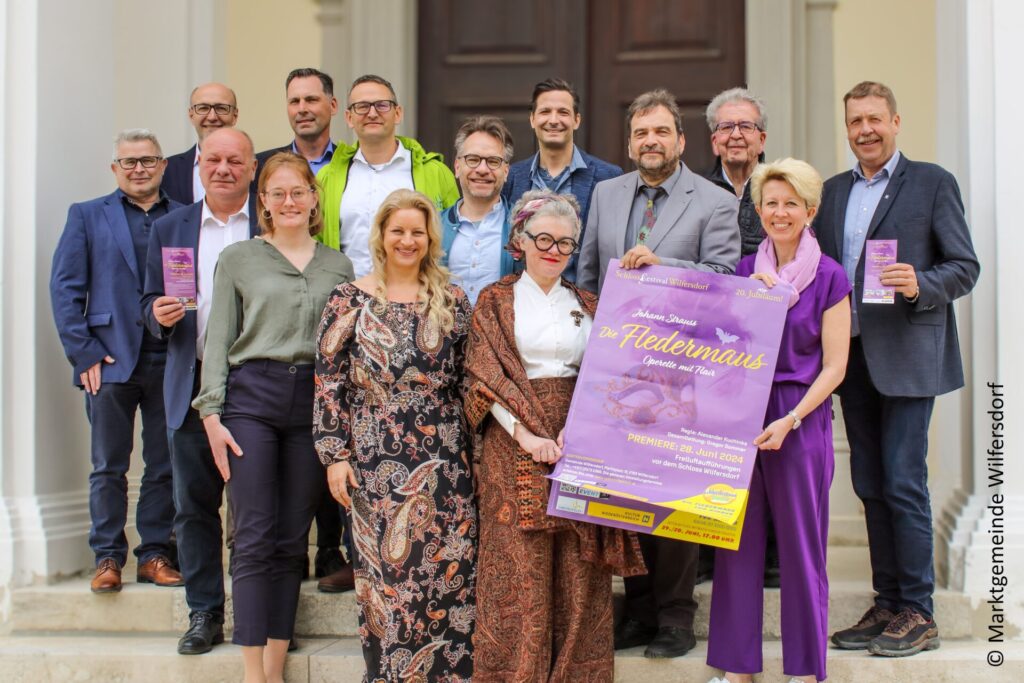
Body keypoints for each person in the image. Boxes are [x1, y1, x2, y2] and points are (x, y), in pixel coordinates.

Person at [577, 88, 739, 659]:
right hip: (618, 370)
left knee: (675, 497)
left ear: (681, 140)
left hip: (685, 371)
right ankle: (640, 610)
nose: (651, 141)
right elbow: (589, 278)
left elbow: (724, 278)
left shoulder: (715, 201)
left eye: (662, 132)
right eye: (642, 133)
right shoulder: (605, 194)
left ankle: (675, 616)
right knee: (625, 495)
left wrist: (662, 265)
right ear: (630, 142)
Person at [820, 81, 979, 657]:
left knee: (903, 479)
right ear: (847, 128)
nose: (865, 129)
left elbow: (965, 266)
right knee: (869, 483)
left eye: (875, 119)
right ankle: (888, 603)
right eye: (855, 121)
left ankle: (919, 610)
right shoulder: (834, 193)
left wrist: (922, 283)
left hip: (910, 355)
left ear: (895, 121)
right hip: (852, 356)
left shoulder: (933, 183)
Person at [464, 190, 645, 681]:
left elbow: (613, 373)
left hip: (581, 445)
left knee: (579, 567)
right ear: (519, 240)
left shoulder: (588, 303)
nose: (553, 249)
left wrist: (581, 428)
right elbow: (482, 375)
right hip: (513, 443)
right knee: (520, 567)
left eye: (565, 243)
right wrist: (526, 435)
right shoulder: (495, 301)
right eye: (542, 237)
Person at [191, 152, 354, 683]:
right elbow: (217, 340)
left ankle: (275, 666)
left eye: (298, 192)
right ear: (263, 201)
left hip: (314, 403)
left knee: (290, 537)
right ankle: (251, 672)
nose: (289, 201)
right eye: (277, 193)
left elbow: (345, 349)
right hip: (251, 400)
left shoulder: (339, 266)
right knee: (254, 534)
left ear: (313, 199)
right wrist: (212, 413)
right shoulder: (239, 258)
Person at [313, 188, 476, 681]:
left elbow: (472, 379)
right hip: (372, 457)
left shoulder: (453, 300)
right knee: (388, 583)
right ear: (381, 236)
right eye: (398, 230)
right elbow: (328, 381)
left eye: (417, 232)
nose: (408, 240)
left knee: (449, 576)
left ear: (431, 239)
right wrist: (334, 455)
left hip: (446, 459)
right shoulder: (348, 299)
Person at [705, 158, 851, 683]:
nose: (780, 212)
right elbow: (721, 345)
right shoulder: (746, 272)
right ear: (759, 210)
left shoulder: (831, 275)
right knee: (735, 545)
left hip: (799, 419)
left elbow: (835, 367)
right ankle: (737, 667)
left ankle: (805, 670)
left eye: (791, 203)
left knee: (801, 549)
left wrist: (790, 419)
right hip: (744, 415)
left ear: (809, 211)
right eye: (771, 202)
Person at [50, 129, 183, 593]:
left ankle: (154, 554)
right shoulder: (87, 215)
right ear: (115, 169)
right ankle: (107, 557)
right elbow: (65, 289)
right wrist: (83, 351)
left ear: (163, 165)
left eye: (148, 160)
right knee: (108, 464)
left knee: (164, 464)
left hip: (171, 355)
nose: (139, 168)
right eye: (129, 162)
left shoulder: (183, 216)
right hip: (107, 360)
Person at [143, 128, 260, 655]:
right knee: (193, 506)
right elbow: (150, 300)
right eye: (213, 159)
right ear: (198, 168)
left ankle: (258, 613)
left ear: (252, 167)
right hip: (190, 384)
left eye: (235, 160)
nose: (223, 168)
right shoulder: (171, 227)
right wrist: (157, 315)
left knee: (257, 507)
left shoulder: (272, 223)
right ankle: (205, 612)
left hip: (255, 388)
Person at [254, 66, 353, 592]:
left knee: (316, 477)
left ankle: (331, 550)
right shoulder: (273, 171)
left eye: (313, 98)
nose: (303, 107)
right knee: (264, 506)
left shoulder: (350, 164)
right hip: (263, 383)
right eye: (294, 99)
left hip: (328, 366)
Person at [698, 87, 777, 587]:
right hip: (706, 341)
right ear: (712, 140)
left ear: (762, 137)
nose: (736, 135)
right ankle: (709, 551)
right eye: (726, 127)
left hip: (769, 342)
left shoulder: (780, 186)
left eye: (745, 126)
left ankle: (770, 556)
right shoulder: (697, 193)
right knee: (708, 446)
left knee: (766, 453)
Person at [317, 74, 460, 276]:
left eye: (382, 105)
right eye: (362, 106)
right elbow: (316, 243)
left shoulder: (435, 173)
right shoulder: (328, 178)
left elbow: (455, 241)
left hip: (416, 299)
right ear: (349, 118)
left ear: (398, 113)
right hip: (349, 298)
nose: (372, 113)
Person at [502, 78, 623, 280]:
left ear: (577, 120)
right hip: (523, 300)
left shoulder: (608, 177)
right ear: (532, 119)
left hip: (583, 303)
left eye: (563, 112)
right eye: (545, 112)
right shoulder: (512, 177)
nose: (553, 120)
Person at [440, 115, 516, 304]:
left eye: (493, 161)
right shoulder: (433, 226)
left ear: (505, 171)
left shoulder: (522, 227)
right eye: (473, 159)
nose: (482, 169)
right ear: (457, 167)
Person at [161, 83, 239, 205]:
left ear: (235, 116)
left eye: (221, 108)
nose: (212, 117)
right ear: (191, 115)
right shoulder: (166, 170)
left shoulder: (257, 169)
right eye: (203, 108)